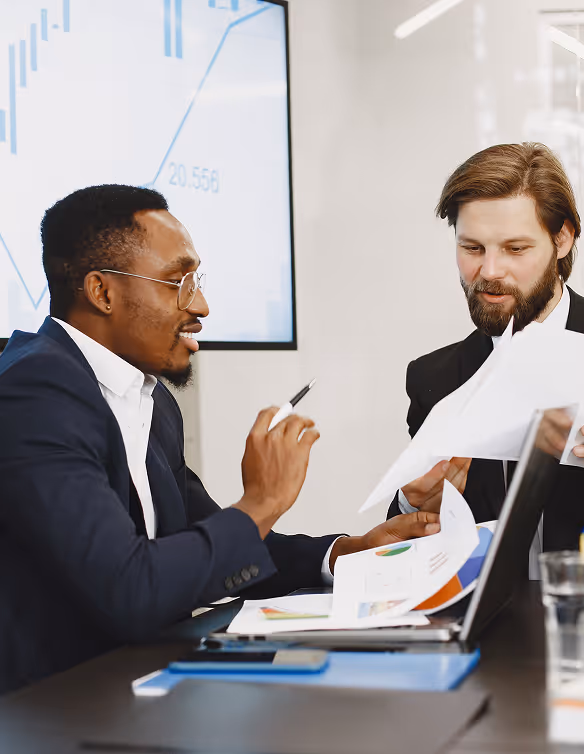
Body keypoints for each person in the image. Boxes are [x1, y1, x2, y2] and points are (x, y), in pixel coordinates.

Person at [0, 185, 439, 695]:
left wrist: (345, 553)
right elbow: (128, 590)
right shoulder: (35, 393)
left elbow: (207, 540)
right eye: (177, 282)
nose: (201, 304)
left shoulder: (152, 401)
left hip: (143, 689)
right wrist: (264, 501)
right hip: (57, 710)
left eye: (196, 280)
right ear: (102, 292)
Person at [387, 142, 584, 564]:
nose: (489, 272)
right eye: (472, 248)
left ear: (562, 239)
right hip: (487, 627)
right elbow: (397, 555)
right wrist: (412, 502)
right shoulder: (434, 378)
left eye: (515, 249)